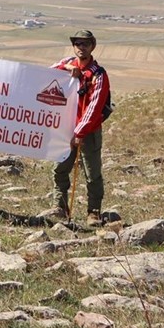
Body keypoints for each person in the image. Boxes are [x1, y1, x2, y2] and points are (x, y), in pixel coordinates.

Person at [51, 29, 112, 226]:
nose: (81, 47)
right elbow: (48, 73)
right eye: (77, 44)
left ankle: (93, 212)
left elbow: (95, 106)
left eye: (85, 44)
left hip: (89, 132)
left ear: (92, 46)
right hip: (66, 128)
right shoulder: (68, 63)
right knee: (60, 169)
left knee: (92, 174)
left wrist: (80, 132)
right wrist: (68, 68)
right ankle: (60, 207)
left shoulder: (99, 74)